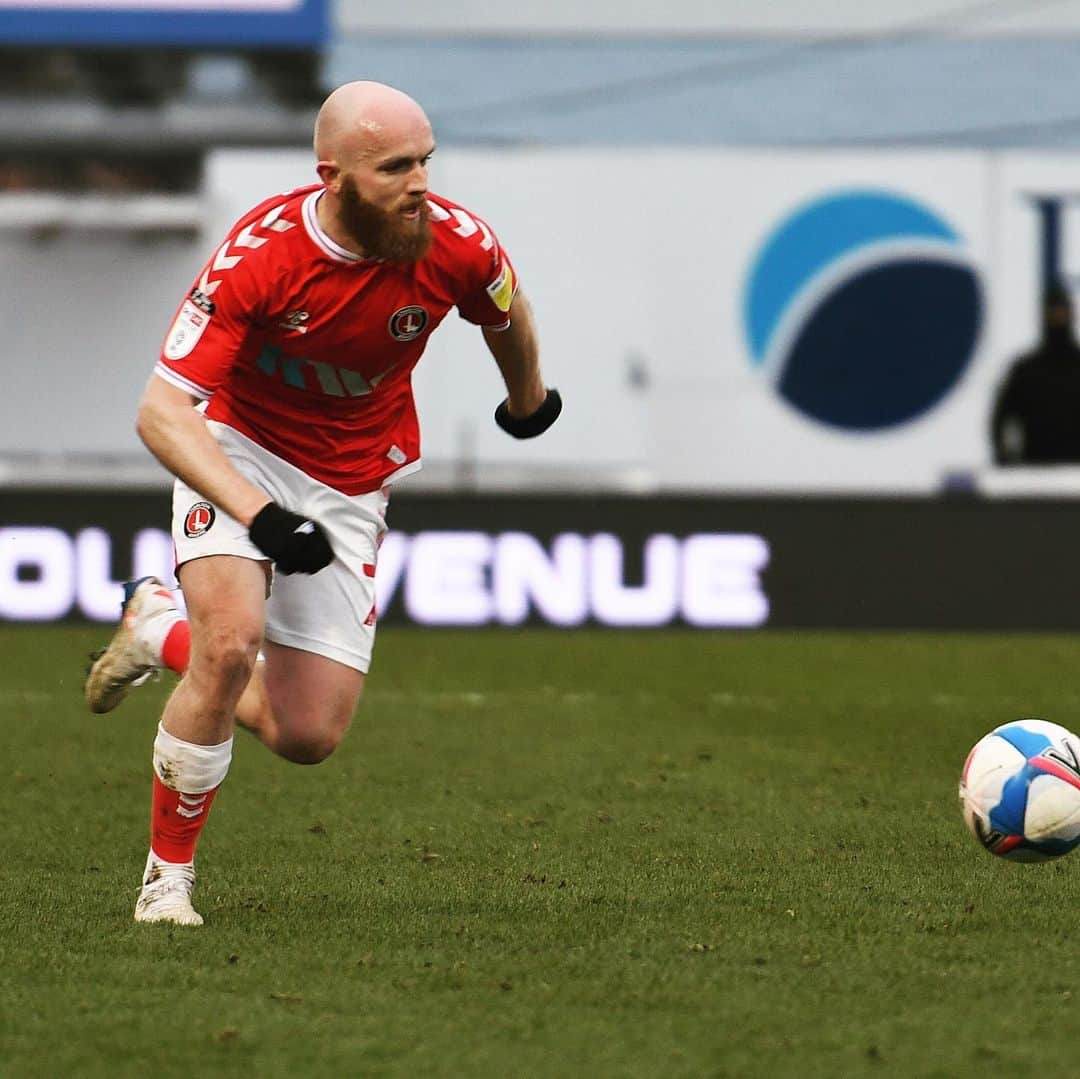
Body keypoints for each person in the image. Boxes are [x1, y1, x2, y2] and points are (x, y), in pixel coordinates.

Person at [83, 81, 562, 927]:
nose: (419, 184)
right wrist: (261, 517)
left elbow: (505, 311)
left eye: (425, 161)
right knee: (233, 648)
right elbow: (163, 413)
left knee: (308, 735)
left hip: (349, 478)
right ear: (332, 175)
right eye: (395, 168)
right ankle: (166, 884)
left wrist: (529, 400)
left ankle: (156, 626)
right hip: (237, 451)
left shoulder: (455, 242)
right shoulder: (262, 256)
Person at [991, 283, 1080, 464]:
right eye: (1053, 313)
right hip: (1035, 475)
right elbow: (999, 420)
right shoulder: (1025, 370)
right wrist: (1007, 461)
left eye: (1062, 312)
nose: (1058, 318)